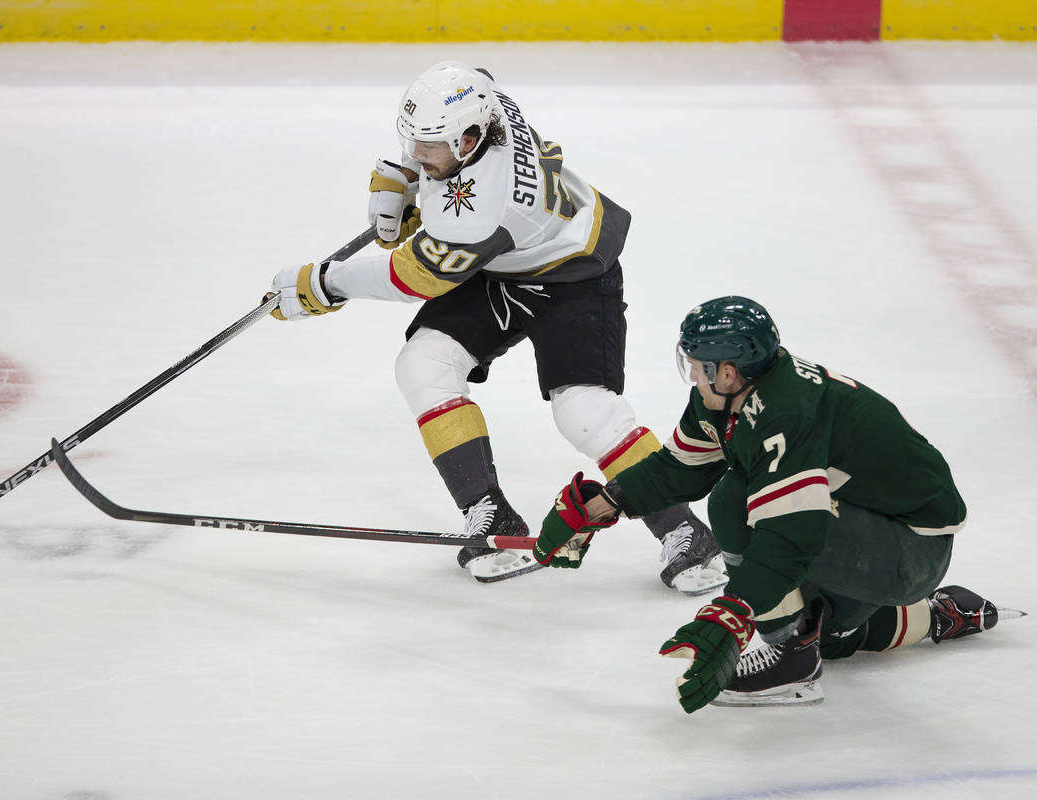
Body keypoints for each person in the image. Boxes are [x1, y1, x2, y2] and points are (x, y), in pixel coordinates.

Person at [268, 60, 725, 588]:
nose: (419, 151)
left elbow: (415, 275)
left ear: (467, 141)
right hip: (506, 262)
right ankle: (490, 513)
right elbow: (471, 79)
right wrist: (405, 176)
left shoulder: (486, 206)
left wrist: (326, 282)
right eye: (411, 140)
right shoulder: (477, 98)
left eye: (429, 147)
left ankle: (684, 530)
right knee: (423, 363)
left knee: (583, 410)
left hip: (575, 273)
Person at [535, 296, 1025, 709]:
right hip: (874, 528)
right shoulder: (734, 394)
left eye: (695, 364)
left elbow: (794, 532)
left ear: (726, 371)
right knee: (826, 635)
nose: (689, 374)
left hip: (907, 549)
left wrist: (735, 610)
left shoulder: (784, 414)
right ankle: (938, 616)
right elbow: (680, 468)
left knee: (736, 500)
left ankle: (789, 660)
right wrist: (604, 503)